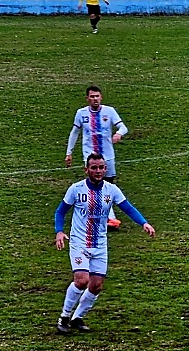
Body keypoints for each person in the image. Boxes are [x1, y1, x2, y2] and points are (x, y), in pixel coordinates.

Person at [54, 153, 156, 334]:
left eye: (101, 167)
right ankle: (64, 317)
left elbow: (128, 208)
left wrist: (144, 223)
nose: (98, 171)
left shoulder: (111, 190)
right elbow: (61, 211)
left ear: (105, 169)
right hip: (79, 242)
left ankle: (78, 317)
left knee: (96, 286)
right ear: (87, 170)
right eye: (94, 167)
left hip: (100, 244)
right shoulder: (76, 189)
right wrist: (59, 231)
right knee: (82, 280)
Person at [65, 85, 128, 230]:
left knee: (109, 185)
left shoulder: (109, 111)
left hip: (107, 155)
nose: (95, 99)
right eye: (92, 96)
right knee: (96, 185)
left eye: (97, 96)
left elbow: (123, 127)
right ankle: (110, 218)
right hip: (90, 156)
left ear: (101, 97)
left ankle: (104, 216)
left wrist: (119, 133)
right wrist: (69, 153)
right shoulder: (81, 113)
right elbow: (74, 133)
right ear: (87, 98)